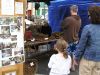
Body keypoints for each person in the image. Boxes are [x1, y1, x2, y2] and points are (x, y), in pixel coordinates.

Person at [74, 6, 100, 75]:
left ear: (92, 16)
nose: (88, 17)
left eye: (89, 15)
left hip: (88, 59)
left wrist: (76, 58)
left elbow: (81, 45)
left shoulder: (87, 28)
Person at [61, 5, 81, 71]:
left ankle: (67, 67)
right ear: (77, 10)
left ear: (71, 10)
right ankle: (72, 66)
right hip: (75, 39)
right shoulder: (79, 19)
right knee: (73, 53)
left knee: (67, 54)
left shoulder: (68, 19)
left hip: (68, 40)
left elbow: (62, 26)